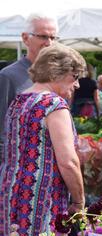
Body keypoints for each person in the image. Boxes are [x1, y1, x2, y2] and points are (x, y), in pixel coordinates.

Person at [0, 43, 86, 236]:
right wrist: (79, 203)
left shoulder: (19, 101)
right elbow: (68, 162)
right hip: (42, 200)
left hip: (11, 194)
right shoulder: (53, 105)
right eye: (75, 76)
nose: (77, 84)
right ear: (57, 73)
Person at [0, 13, 58, 161]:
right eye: (43, 37)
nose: (49, 43)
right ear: (26, 38)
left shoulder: (58, 76)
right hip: (20, 168)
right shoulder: (8, 76)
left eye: (53, 38)